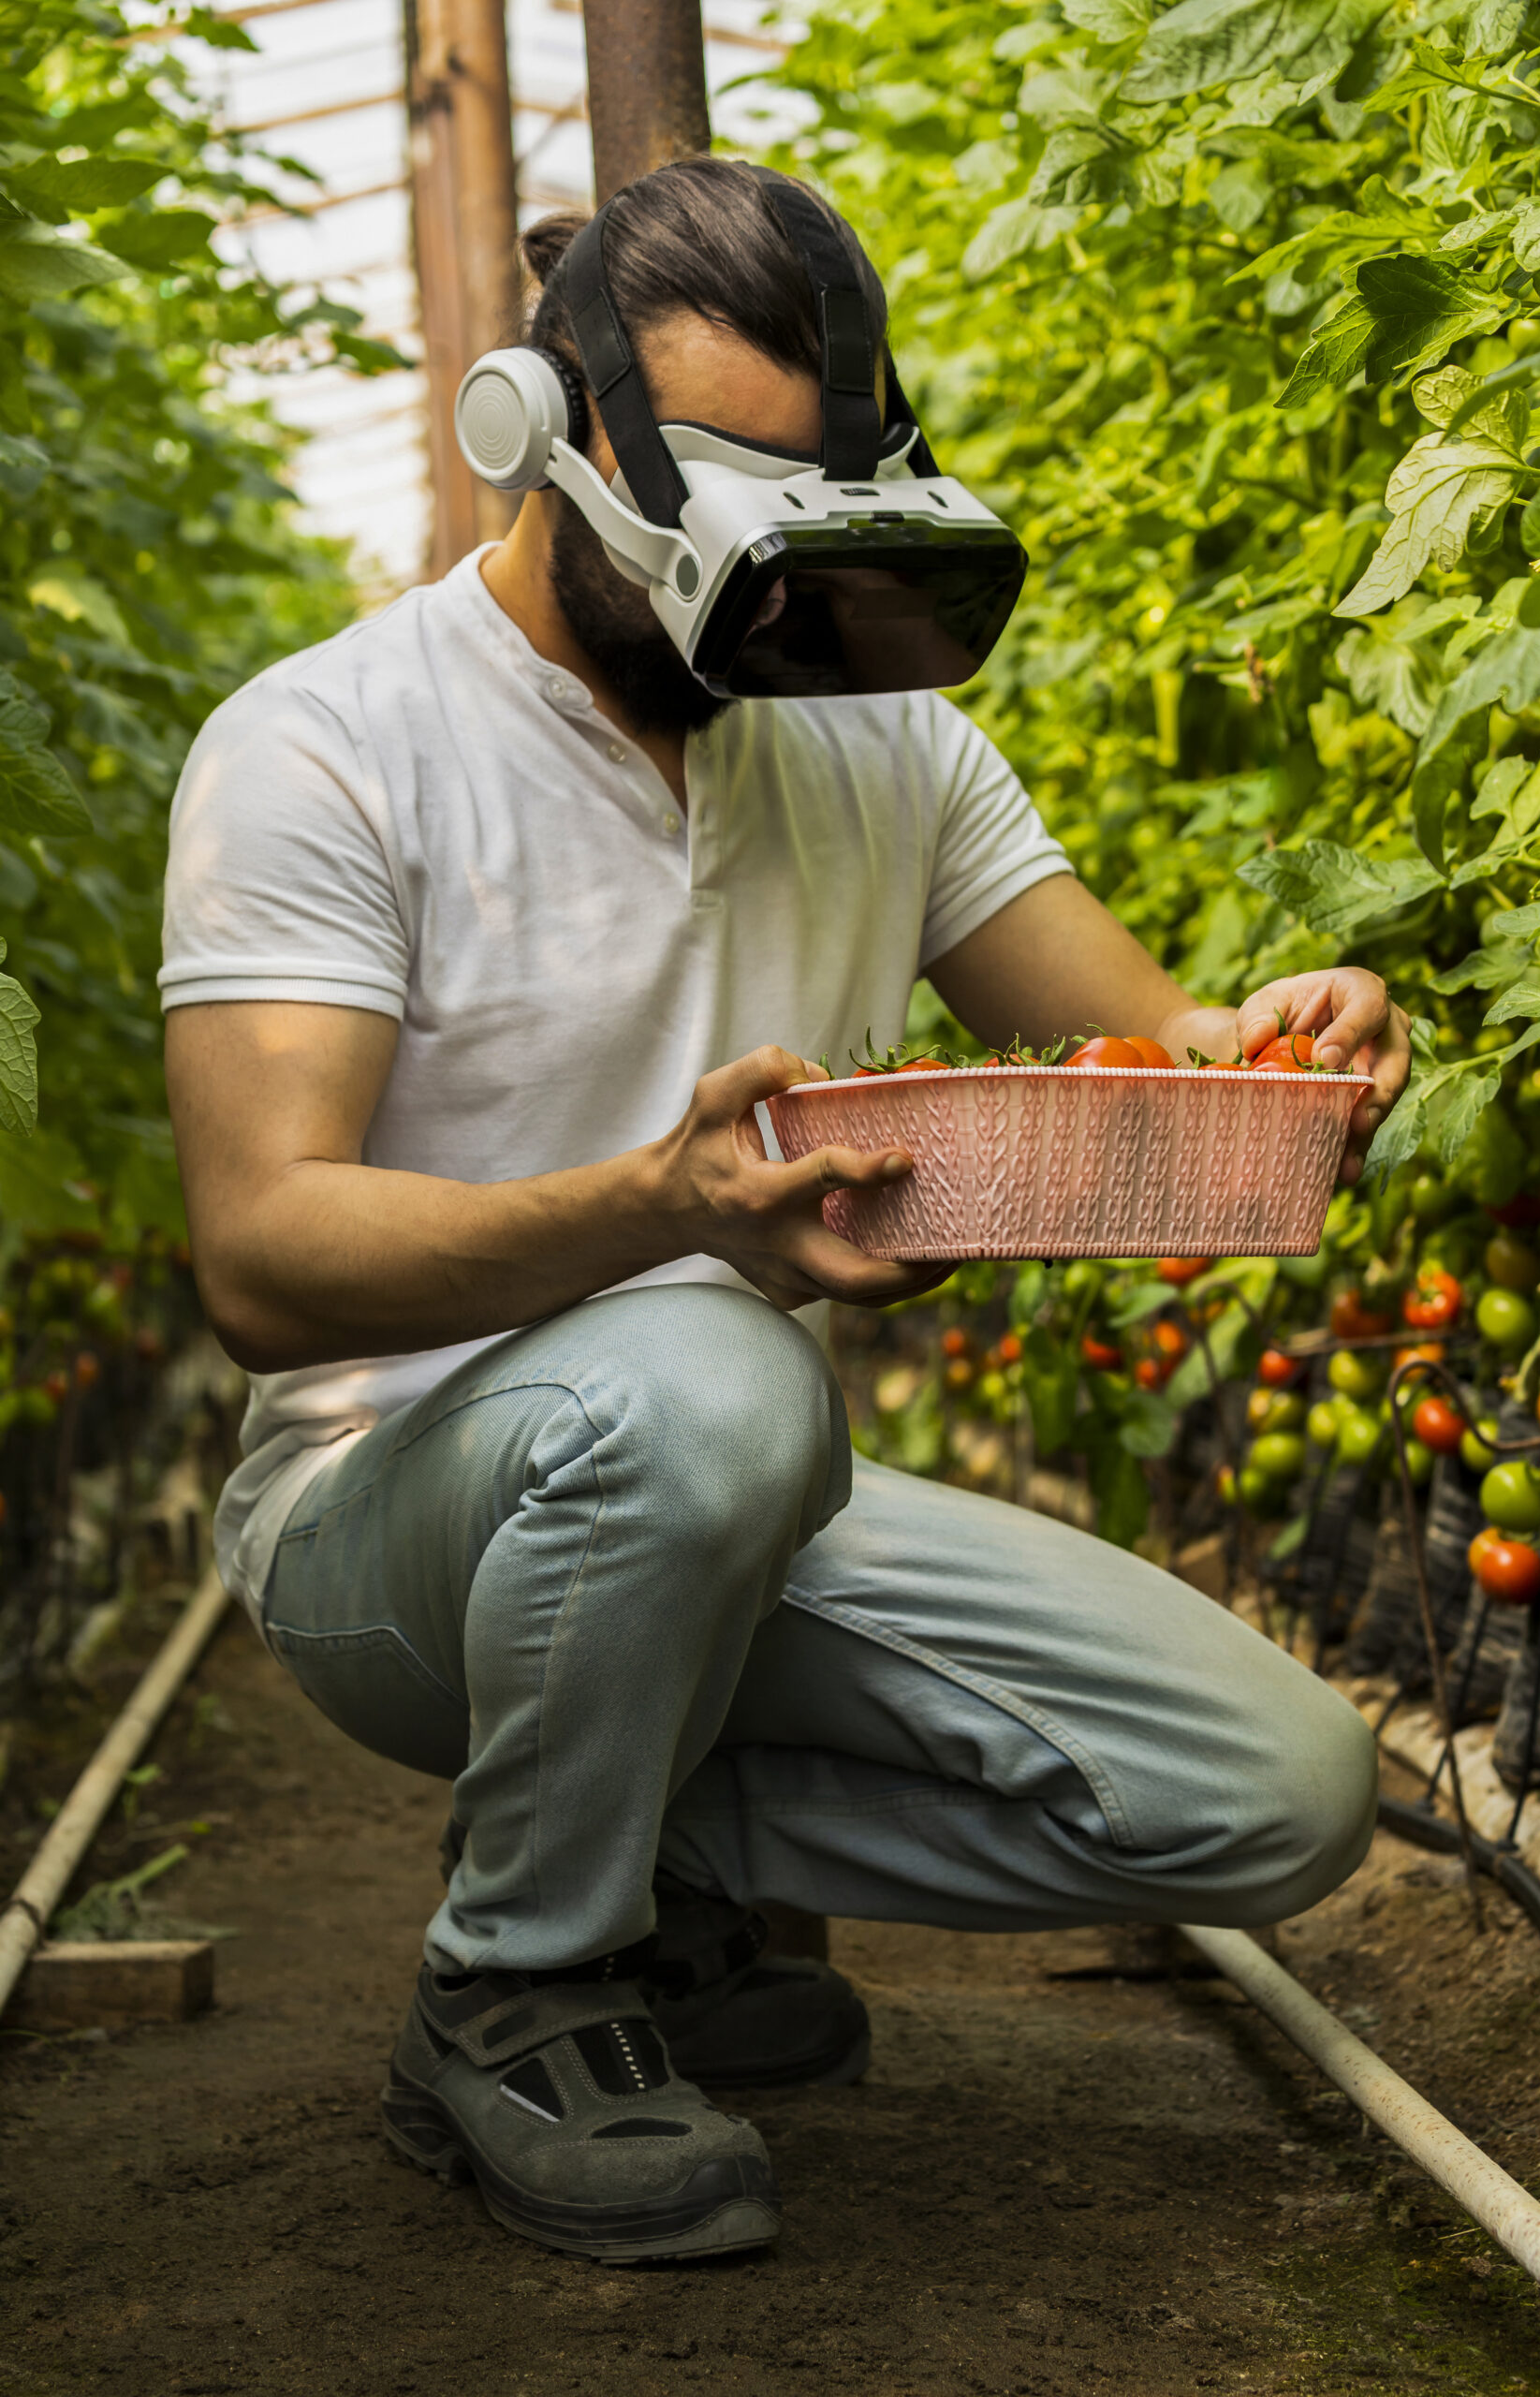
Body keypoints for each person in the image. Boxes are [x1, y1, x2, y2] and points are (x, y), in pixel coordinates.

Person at [160, 158, 1409, 2265]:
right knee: (705, 1365)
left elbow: (1153, 1050)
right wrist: (662, 1202)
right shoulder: (329, 746)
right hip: (382, 1518)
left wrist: (1282, 1045)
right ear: (535, 443)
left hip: (725, 1497)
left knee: (1272, 1791)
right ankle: (516, 1987)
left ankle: (645, 1853)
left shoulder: (886, 744)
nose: (771, 588)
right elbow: (264, 1263)